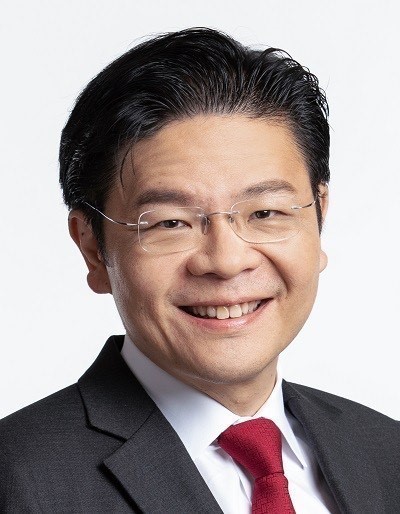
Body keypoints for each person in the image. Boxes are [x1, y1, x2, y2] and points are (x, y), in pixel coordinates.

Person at [0, 27, 398, 514]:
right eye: (171, 222)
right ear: (92, 248)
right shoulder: (17, 481)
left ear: (319, 216)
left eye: (265, 213)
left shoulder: (387, 454)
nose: (227, 261)